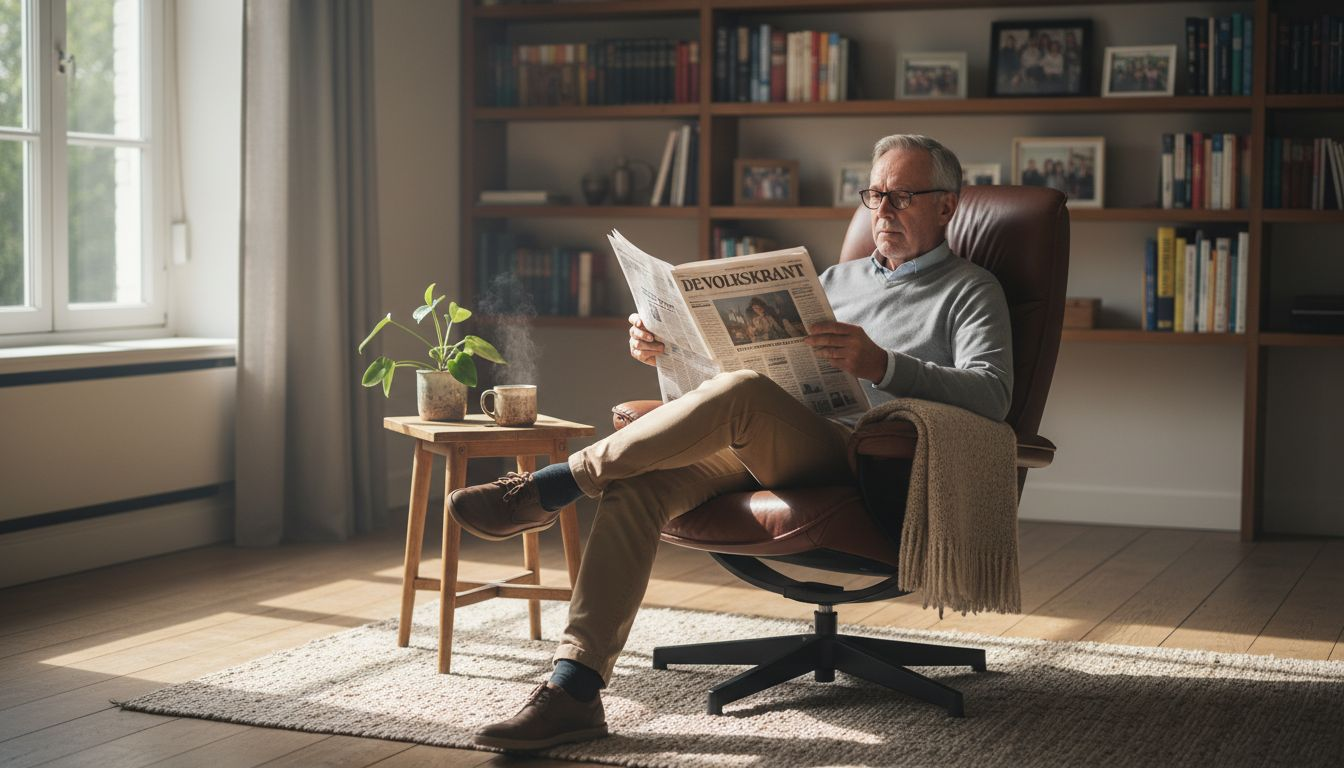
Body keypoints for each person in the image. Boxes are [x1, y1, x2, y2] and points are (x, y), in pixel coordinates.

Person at [448, 134, 1013, 751]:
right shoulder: (834, 279)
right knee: (637, 482)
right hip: (764, 439)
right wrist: (662, 345)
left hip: (864, 461)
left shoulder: (971, 290)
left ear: (947, 207)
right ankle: (574, 691)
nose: (883, 211)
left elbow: (993, 396)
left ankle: (549, 486)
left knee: (742, 392)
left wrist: (884, 365)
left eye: (902, 197)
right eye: (875, 195)